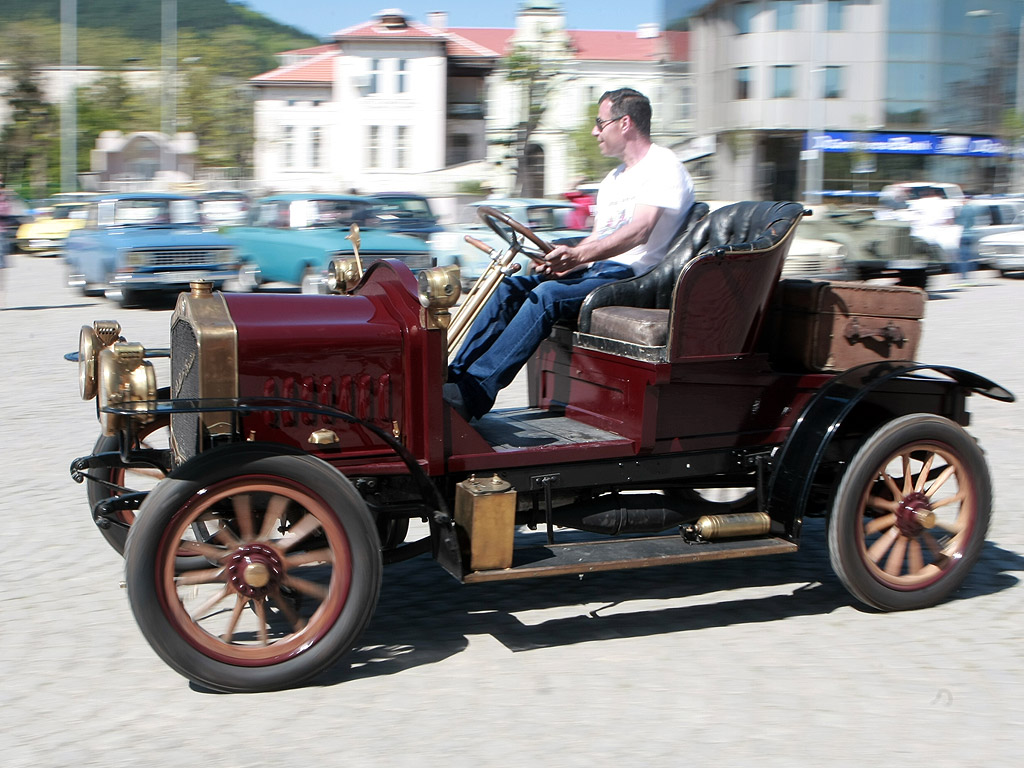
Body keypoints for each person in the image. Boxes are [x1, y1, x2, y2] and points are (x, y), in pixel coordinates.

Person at [445, 87, 695, 420]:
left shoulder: (663, 166)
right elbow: (598, 237)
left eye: (599, 122)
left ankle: (474, 393)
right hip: (602, 270)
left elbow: (640, 231)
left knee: (547, 296)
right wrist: (566, 260)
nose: (595, 131)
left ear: (625, 123)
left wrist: (578, 258)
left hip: (638, 277)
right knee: (510, 288)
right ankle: (452, 378)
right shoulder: (613, 179)